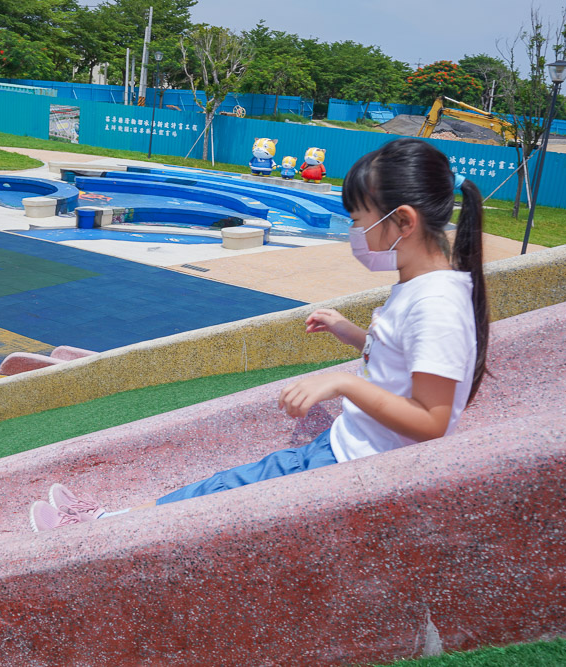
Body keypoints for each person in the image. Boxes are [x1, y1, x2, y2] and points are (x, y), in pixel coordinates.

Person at [29, 138, 490, 532]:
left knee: (219, 499)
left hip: (351, 465)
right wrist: (348, 332)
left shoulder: (437, 304)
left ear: (404, 223)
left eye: (359, 220)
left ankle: (100, 530)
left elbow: (432, 421)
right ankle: (109, 520)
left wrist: (344, 383)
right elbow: (397, 360)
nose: (354, 233)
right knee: (221, 486)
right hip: (344, 446)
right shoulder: (419, 286)